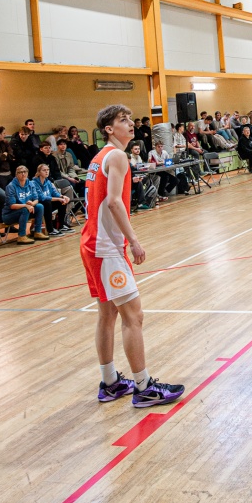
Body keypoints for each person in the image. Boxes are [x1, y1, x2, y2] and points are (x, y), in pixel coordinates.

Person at [82, 103, 185, 409]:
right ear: (109, 129)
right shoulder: (116, 156)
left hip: (92, 243)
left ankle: (111, 383)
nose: (130, 123)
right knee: (133, 316)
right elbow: (114, 202)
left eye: (129, 119)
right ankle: (144, 388)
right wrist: (134, 241)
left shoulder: (100, 157)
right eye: (122, 120)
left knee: (107, 315)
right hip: (105, 248)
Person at [4, 165, 45, 242]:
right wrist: (26, 205)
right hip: (9, 215)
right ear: (16, 175)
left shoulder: (30, 184)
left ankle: (37, 231)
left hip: (26, 211)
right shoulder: (11, 186)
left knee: (40, 206)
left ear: (27, 173)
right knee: (25, 209)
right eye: (20, 172)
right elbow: (12, 206)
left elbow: (36, 199)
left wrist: (32, 204)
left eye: (25, 172)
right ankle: (21, 236)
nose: (23, 174)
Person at [31, 163, 70, 233]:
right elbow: (41, 197)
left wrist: (62, 196)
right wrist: (58, 199)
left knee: (62, 201)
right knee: (47, 203)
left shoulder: (48, 182)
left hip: (48, 203)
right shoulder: (34, 183)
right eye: (44, 170)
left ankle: (60, 226)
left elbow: (54, 193)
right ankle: (50, 229)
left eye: (48, 170)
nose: (46, 172)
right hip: (39, 204)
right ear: (39, 172)